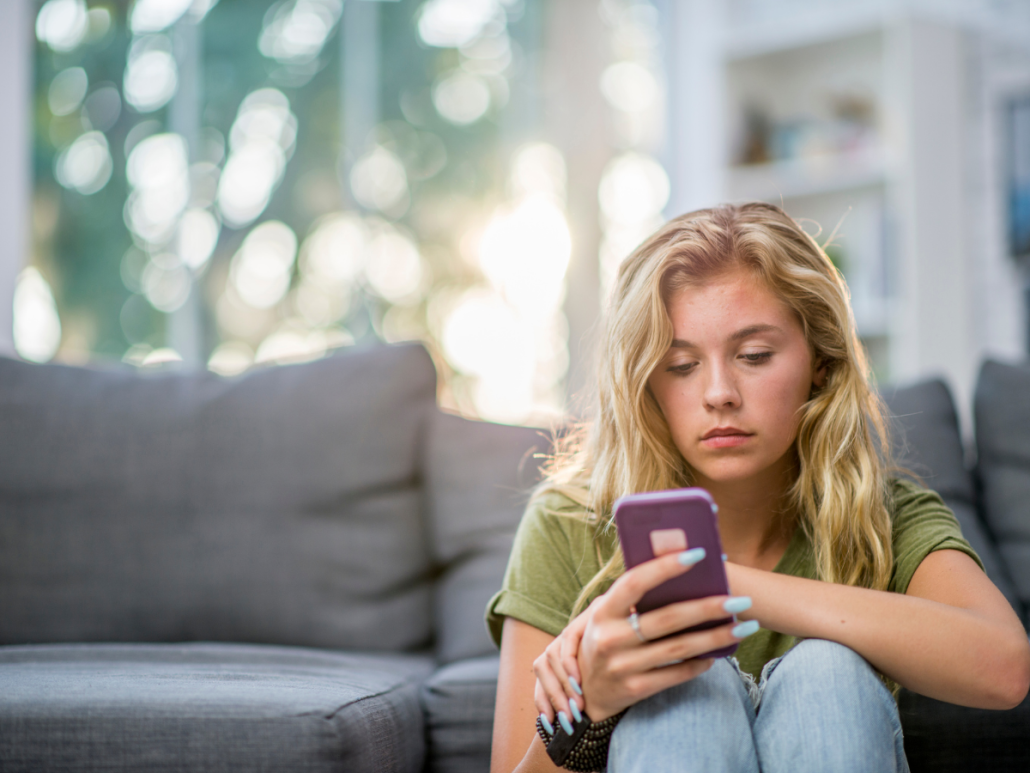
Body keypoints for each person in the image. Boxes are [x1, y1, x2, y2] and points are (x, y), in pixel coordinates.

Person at [486, 202, 1030, 773]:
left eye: (753, 356)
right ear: (646, 381)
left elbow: (1005, 666)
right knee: (686, 696)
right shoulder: (569, 520)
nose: (719, 392)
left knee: (827, 673)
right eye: (680, 365)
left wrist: (718, 585)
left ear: (821, 360)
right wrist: (591, 712)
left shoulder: (879, 513)